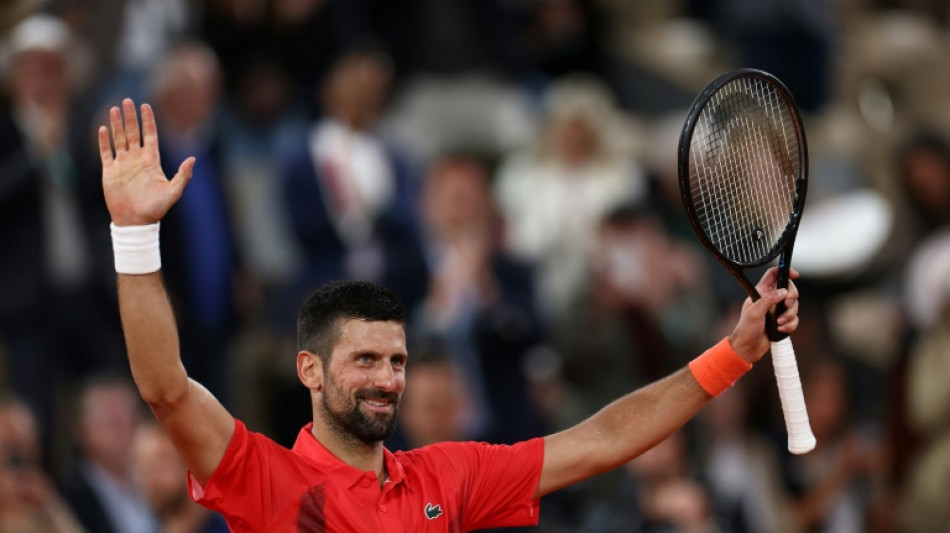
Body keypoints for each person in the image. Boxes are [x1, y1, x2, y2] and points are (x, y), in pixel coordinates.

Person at [98, 98, 800, 531]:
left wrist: (735, 351)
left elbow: (601, 440)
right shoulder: (266, 479)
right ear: (309, 369)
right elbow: (165, 388)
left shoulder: (447, 477)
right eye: (365, 360)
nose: (387, 378)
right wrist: (133, 235)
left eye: (396, 361)